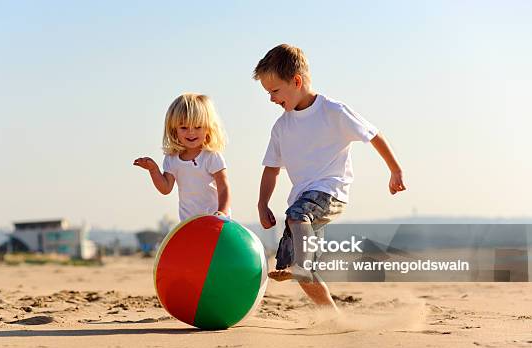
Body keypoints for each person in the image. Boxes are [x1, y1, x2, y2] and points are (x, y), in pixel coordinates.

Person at [253, 44, 406, 310]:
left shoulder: (332, 111)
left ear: (297, 81)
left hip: (330, 192)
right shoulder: (281, 128)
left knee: (297, 217)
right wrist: (262, 203)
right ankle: (332, 315)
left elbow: (373, 135)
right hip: (304, 202)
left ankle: (301, 264)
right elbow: (271, 169)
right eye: (268, 93)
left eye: (275, 91)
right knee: (299, 268)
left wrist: (395, 170)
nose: (271, 99)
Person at [134, 93, 231, 221]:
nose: (191, 132)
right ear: (175, 130)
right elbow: (166, 188)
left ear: (207, 128)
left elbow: (223, 186)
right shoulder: (172, 159)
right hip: (189, 224)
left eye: (197, 127)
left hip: (216, 222)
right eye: (184, 127)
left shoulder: (211, 156)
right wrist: (154, 170)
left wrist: (222, 212)